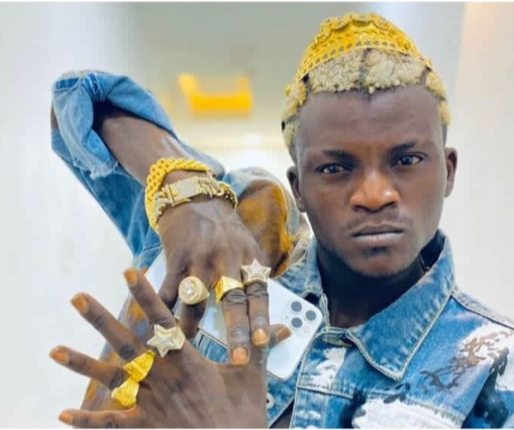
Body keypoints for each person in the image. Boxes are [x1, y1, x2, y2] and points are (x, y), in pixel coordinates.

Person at [49, 12, 514, 428]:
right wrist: (186, 194)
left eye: (406, 160)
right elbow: (77, 101)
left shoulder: (492, 371)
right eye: (336, 168)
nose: (375, 195)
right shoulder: (239, 258)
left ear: (448, 170)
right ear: (299, 188)